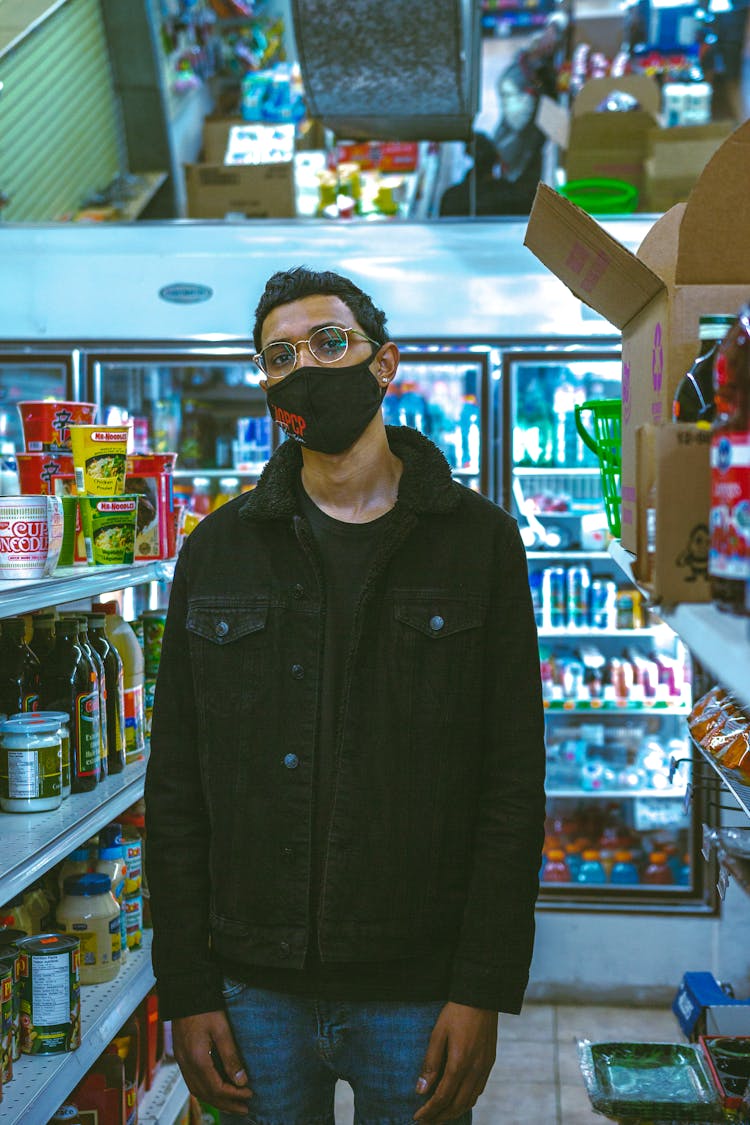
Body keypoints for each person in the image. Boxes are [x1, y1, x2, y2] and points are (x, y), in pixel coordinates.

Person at [145, 266, 546, 1124]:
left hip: (418, 986)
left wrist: (482, 985)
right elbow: (175, 784)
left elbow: (511, 785)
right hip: (250, 988)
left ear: (384, 363)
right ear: (267, 386)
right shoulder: (214, 553)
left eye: (331, 343)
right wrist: (183, 985)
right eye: (279, 356)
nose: (306, 368)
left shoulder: (480, 545)